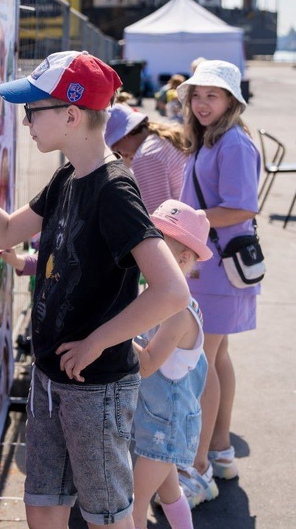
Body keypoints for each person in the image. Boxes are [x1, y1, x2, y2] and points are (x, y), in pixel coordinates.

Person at [0, 50, 189, 529]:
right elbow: (3, 234)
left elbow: (171, 291)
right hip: (49, 379)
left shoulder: (114, 190)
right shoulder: (66, 178)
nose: (25, 122)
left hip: (95, 389)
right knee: (42, 506)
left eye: (33, 111)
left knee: (107, 516)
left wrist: (99, 340)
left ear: (72, 115)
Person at [175, 60, 261, 507]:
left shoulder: (233, 143)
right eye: (196, 94)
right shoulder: (213, 139)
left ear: (231, 100)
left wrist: (187, 221)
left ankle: (198, 468)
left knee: (202, 362)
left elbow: (243, 207)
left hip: (217, 267)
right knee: (216, 355)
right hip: (212, 265)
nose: (202, 102)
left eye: (212, 94)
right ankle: (220, 450)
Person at [132, 200, 212, 529]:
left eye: (155, 251)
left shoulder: (179, 312)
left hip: (166, 428)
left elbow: (148, 363)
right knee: (170, 493)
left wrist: (112, 331)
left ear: (180, 261)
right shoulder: (155, 294)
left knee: (133, 503)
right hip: (155, 420)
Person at [105, 103, 188, 213]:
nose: (119, 154)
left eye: (116, 149)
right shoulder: (160, 141)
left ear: (126, 136)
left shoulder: (146, 156)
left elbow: (157, 216)